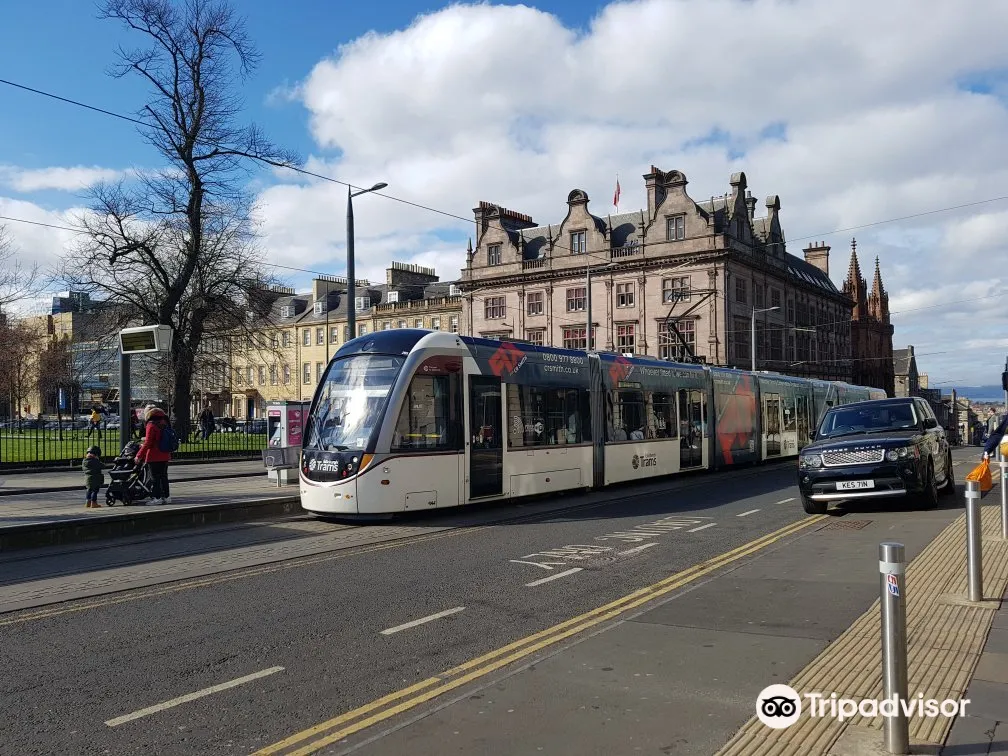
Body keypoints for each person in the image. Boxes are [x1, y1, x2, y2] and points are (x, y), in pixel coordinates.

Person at [135, 406, 173, 505]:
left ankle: (157, 498)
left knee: (155, 478)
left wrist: (139, 455)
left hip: (154, 455)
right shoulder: (165, 422)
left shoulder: (151, 425)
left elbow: (148, 442)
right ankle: (167, 497)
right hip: (165, 454)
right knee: (164, 477)